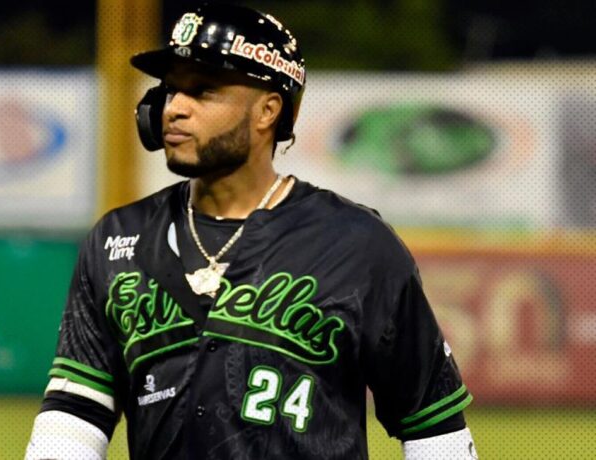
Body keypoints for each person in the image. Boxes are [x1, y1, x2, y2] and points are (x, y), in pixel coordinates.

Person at [26, 3, 477, 459]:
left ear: (267, 111)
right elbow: (76, 411)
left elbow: (434, 427)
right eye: (171, 89)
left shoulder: (358, 246)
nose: (174, 109)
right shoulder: (119, 239)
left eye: (203, 90)